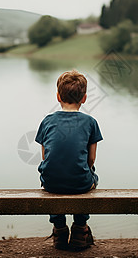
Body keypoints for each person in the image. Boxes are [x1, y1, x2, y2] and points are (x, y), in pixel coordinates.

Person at [35, 70, 103, 250]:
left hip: (52, 183)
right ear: (85, 98)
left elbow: (45, 157)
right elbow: (91, 159)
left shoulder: (47, 121)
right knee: (91, 175)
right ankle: (80, 228)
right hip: (80, 183)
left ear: (58, 96)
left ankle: (59, 229)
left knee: (50, 174)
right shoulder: (90, 122)